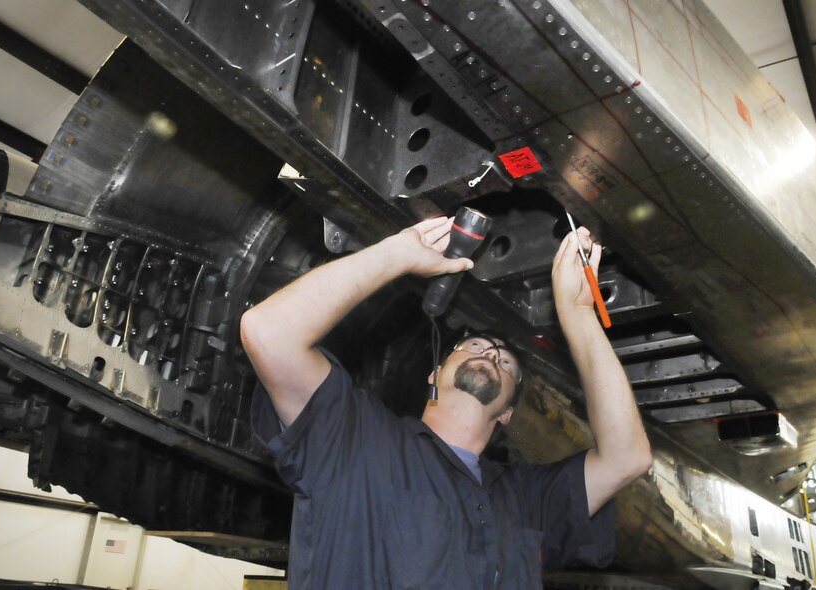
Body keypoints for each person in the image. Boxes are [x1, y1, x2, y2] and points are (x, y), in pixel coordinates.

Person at [240, 216, 653, 589]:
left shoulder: (526, 498)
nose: (490, 354)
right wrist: (396, 254)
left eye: (506, 362)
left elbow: (627, 458)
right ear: (434, 373)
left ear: (507, 412)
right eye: (473, 345)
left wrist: (578, 315)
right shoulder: (357, 439)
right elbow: (268, 332)